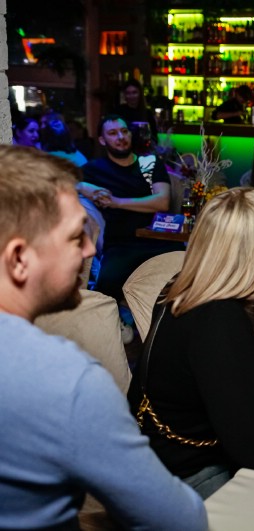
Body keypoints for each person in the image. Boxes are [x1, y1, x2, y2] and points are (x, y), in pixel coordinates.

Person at [0, 145, 206, 529]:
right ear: (19, 259)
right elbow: (179, 520)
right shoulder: (66, 379)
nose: (90, 249)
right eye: (76, 237)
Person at [128, 188, 254, 499]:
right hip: (184, 477)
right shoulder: (219, 319)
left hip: (155, 460)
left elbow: (231, 389)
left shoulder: (183, 288)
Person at [81, 115, 183, 300]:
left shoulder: (150, 163)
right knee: (106, 289)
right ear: (102, 140)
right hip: (121, 245)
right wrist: (82, 186)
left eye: (124, 131)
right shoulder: (94, 169)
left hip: (159, 240)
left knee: (188, 275)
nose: (120, 137)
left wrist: (117, 202)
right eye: (113, 133)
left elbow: (162, 202)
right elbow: (60, 182)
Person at [113, 78, 159, 146]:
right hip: (123, 147)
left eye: (134, 93)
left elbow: (154, 137)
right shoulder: (118, 112)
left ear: (140, 94)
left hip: (143, 149)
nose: (131, 96)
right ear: (124, 95)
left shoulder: (147, 113)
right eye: (128, 93)